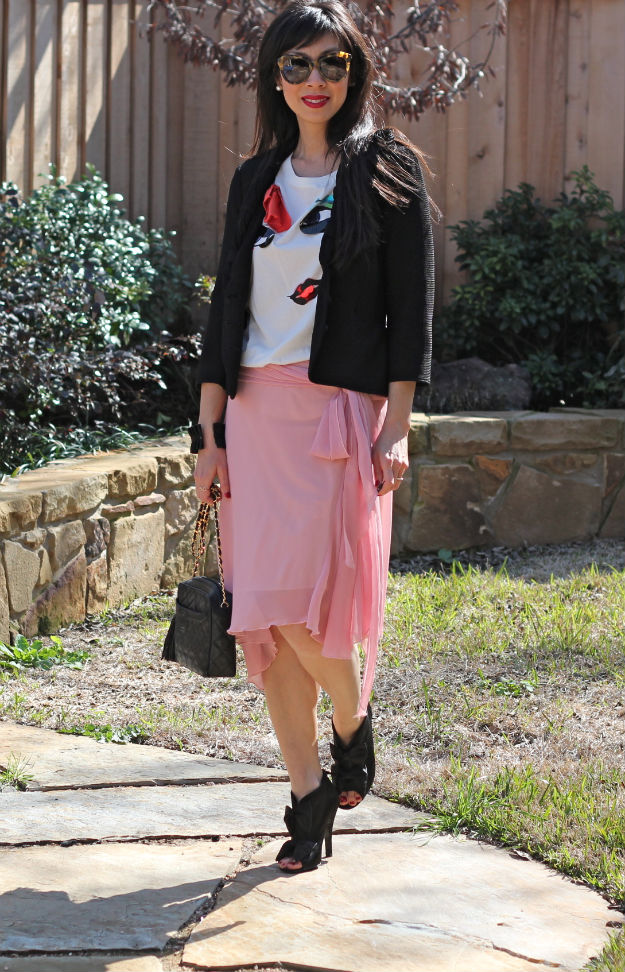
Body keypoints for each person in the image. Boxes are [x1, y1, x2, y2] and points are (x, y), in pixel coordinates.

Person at [194, 0, 435, 874]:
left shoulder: (384, 168)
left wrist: (396, 426)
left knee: (304, 609)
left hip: (334, 417)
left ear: (354, 72)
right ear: (274, 76)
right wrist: (208, 432)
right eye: (296, 64)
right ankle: (307, 798)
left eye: (332, 63)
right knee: (263, 615)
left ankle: (351, 719)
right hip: (254, 417)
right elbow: (226, 308)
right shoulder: (255, 178)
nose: (314, 80)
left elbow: (410, 308)